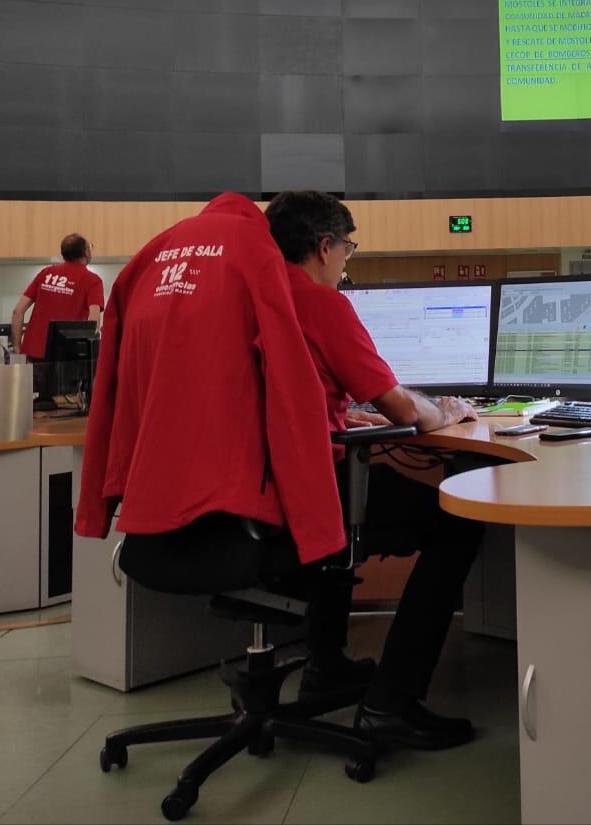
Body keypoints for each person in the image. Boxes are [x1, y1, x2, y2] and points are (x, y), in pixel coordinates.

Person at [73, 193, 371, 697]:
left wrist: (99, 505)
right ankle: (375, 686)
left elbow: (107, 392)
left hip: (149, 524)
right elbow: (291, 389)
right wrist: (319, 527)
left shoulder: (147, 258)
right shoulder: (256, 256)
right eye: (347, 248)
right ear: (325, 247)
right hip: (239, 522)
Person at [265, 190, 483, 751]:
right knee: (456, 522)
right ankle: (393, 700)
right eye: (346, 250)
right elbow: (404, 410)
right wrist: (448, 411)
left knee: (361, 503)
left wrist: (340, 413)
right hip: (316, 491)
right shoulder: (318, 303)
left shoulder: (255, 299)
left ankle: (326, 665)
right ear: (323, 246)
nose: (345, 262)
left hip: (259, 495)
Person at [12, 233, 104, 360]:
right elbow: (94, 320)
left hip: (32, 352)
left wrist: (17, 347)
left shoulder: (46, 273)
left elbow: (18, 311)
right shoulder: (92, 280)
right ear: (86, 252)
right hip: (67, 355)